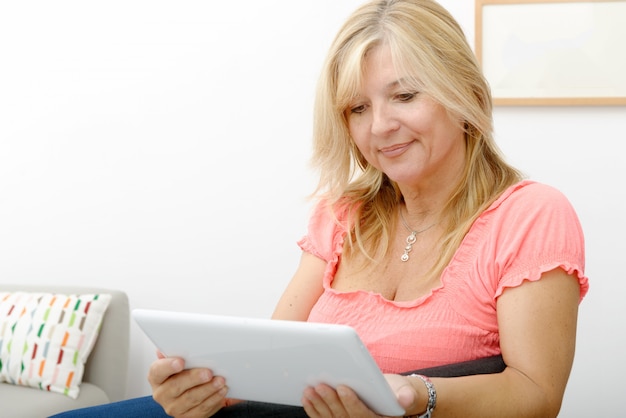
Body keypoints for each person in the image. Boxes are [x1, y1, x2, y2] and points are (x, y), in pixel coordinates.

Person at [52, 0, 588, 417]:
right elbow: (265, 363)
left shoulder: (531, 214)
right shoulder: (343, 213)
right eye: (358, 108)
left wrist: (416, 395)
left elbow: (536, 394)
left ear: (464, 93)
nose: (379, 126)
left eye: (404, 96)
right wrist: (203, 390)